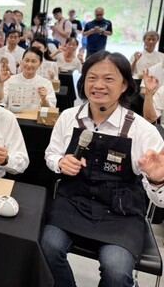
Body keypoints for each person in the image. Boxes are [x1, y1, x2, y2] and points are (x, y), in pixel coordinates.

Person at [41, 51, 164, 287]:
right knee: (47, 246)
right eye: (91, 77)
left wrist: (158, 180)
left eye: (108, 79)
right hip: (73, 202)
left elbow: (160, 202)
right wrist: (59, 163)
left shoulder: (141, 130)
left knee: (116, 269)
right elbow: (50, 154)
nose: (98, 85)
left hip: (121, 212)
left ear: (124, 85)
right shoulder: (69, 117)